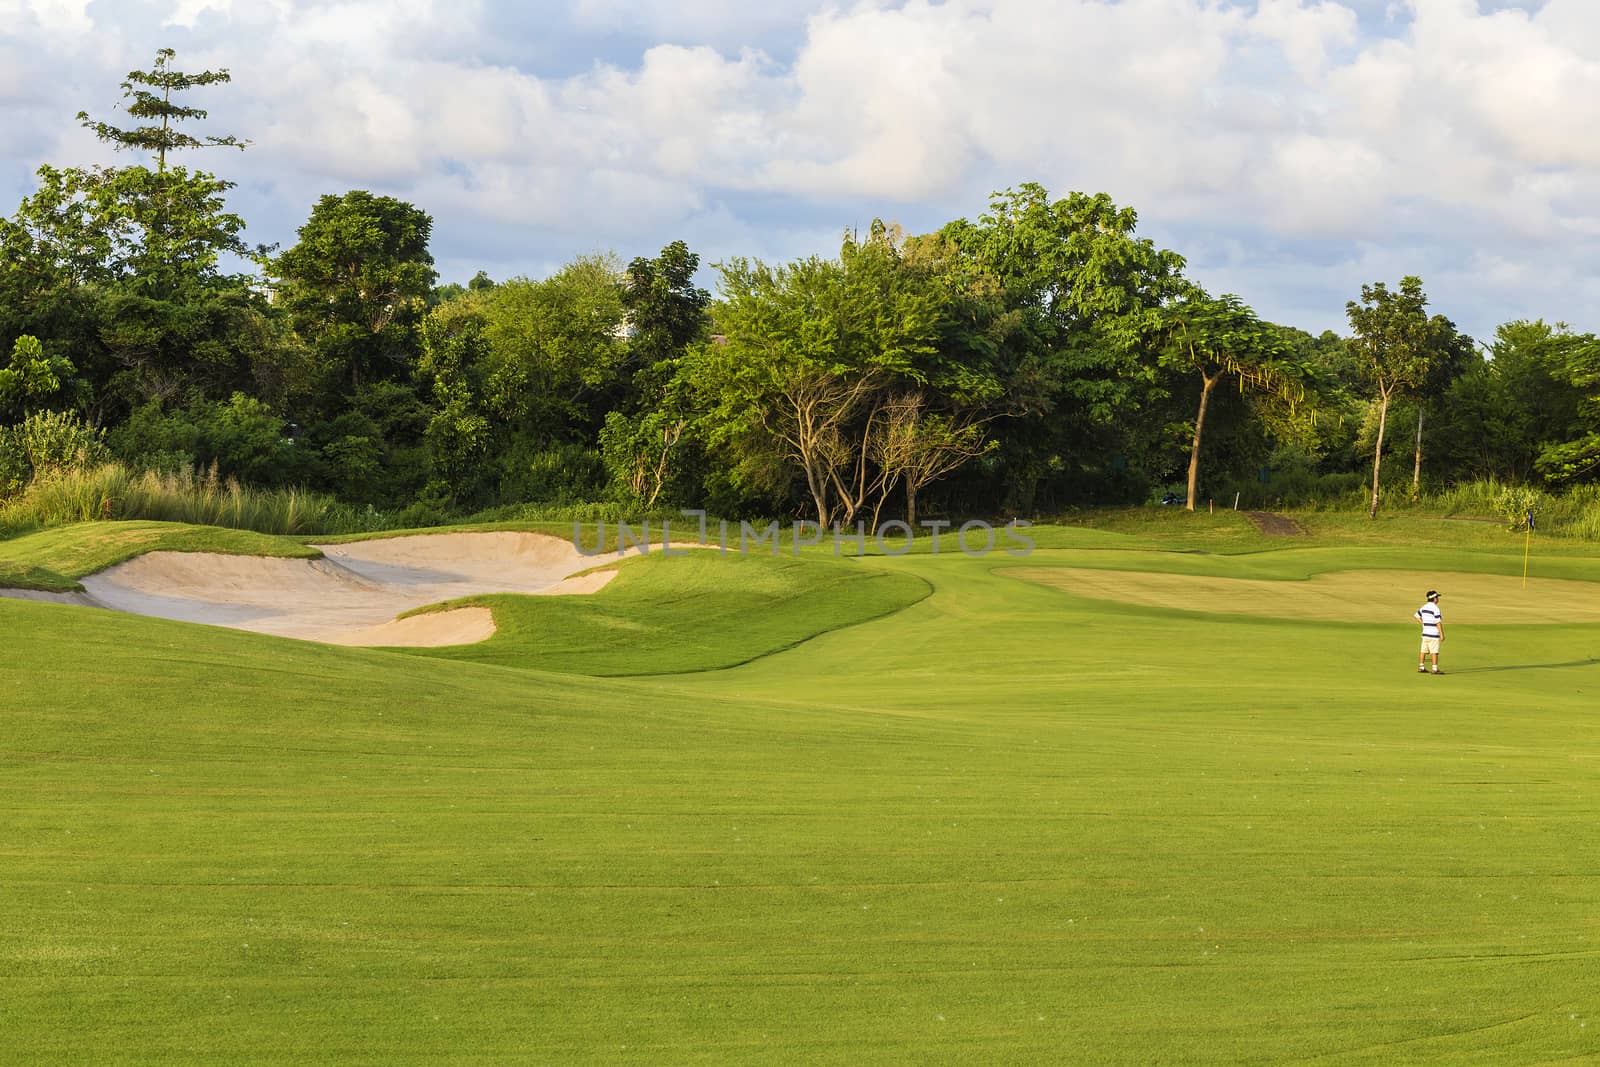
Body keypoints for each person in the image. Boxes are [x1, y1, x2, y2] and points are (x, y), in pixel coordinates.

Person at [1414, 590, 1443, 674]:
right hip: (1434, 634)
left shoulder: (1424, 607)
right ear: (1434, 599)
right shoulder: (1436, 608)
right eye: (1437, 597)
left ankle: (1421, 667)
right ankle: (1434, 669)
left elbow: (1416, 616)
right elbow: (1438, 622)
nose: (1438, 599)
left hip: (1425, 633)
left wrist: (1424, 624)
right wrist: (1441, 634)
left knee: (1423, 650)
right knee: (1434, 652)